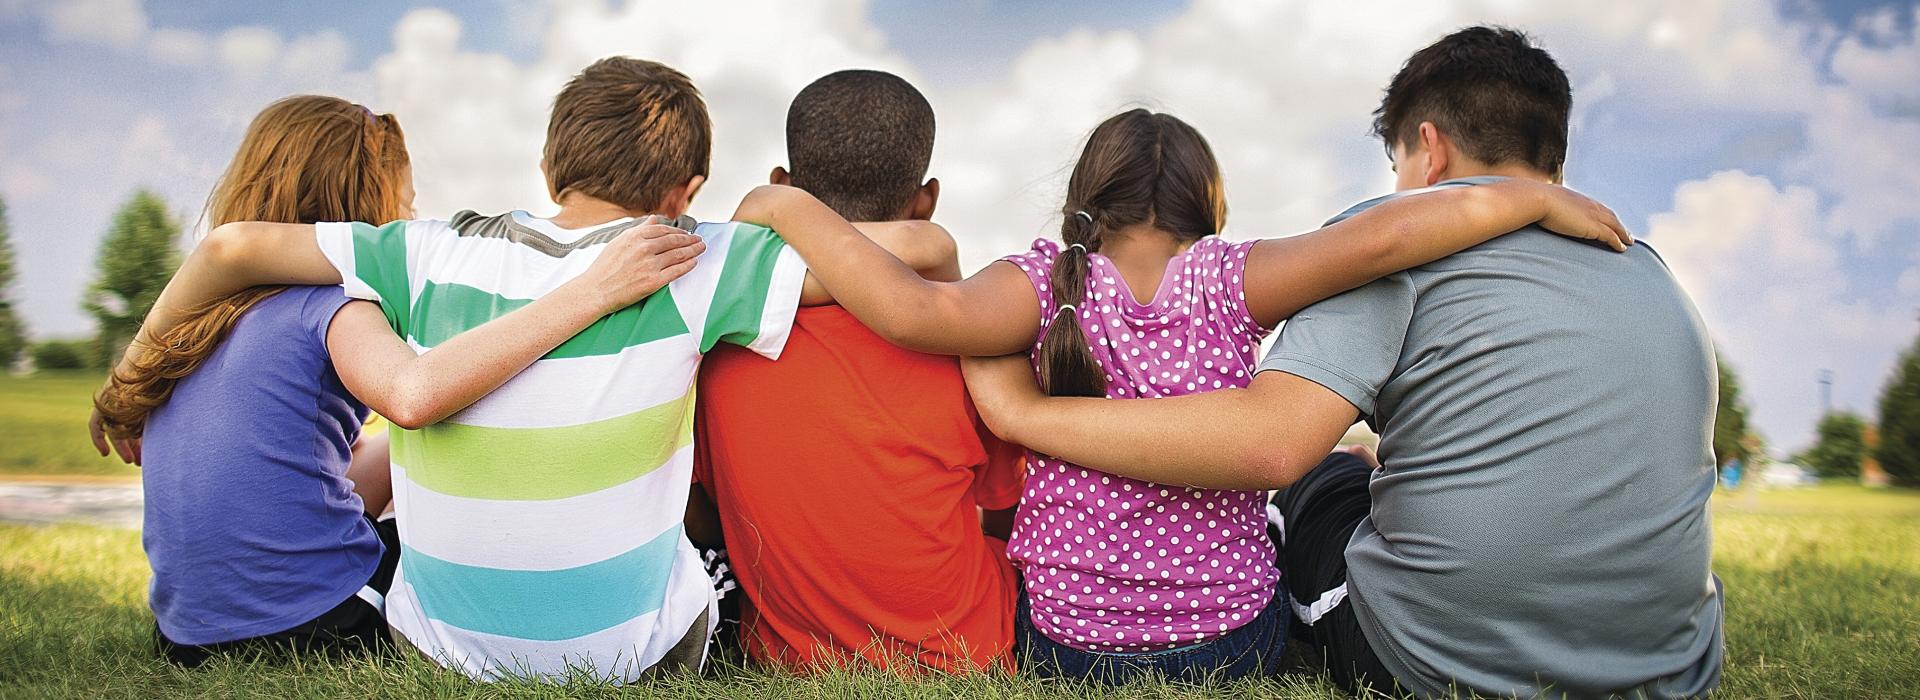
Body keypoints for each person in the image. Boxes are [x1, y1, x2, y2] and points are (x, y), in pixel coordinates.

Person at [106, 58, 951, 682]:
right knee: (710, 553)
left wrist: (129, 382)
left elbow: (226, 247)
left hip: (436, 654)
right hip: (633, 661)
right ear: (686, 191)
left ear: (549, 168)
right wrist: (773, 213)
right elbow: (901, 247)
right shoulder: (693, 257)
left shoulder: (422, 251)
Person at [724, 108, 1628, 683]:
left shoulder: (1043, 282)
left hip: (1066, 647)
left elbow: (912, 312)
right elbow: (1386, 240)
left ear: (1087, 198)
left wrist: (789, 208)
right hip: (1229, 643)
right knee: (1309, 500)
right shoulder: (1232, 278)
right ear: (1208, 203)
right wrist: (1526, 198)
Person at [960, 26, 1724, 698]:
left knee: (1319, 477)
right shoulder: (1646, 265)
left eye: (1396, 163)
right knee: (1350, 461)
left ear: (1429, 150)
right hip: (1671, 661)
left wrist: (1027, 413)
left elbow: (1270, 445)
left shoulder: (1393, 239)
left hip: (1446, 662)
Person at [86, 95, 704, 667]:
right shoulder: (332, 305)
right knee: (458, 532)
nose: (408, 218)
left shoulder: (199, 321)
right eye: (404, 203)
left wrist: (123, 385)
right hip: (311, 625)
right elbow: (412, 396)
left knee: (394, 460)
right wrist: (590, 292)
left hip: (185, 632)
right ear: (360, 203)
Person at [688, 69, 1025, 674]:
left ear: (783, 185)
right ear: (926, 201)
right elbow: (1005, 508)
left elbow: (703, 514)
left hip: (784, 655)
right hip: (970, 645)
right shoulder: (967, 337)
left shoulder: (716, 346)